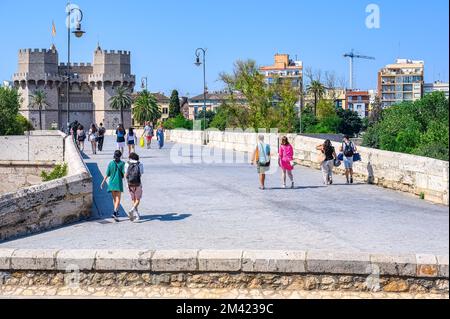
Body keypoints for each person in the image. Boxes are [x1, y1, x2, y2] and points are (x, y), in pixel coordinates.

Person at [101, 150, 126, 222]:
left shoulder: (111, 163)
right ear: (120, 156)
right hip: (118, 183)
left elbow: (107, 174)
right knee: (118, 198)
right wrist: (127, 182)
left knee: (114, 199)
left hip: (111, 183)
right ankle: (115, 212)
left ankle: (116, 211)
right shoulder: (122, 164)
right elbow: (124, 174)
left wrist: (103, 182)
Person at [125, 152, 144, 222]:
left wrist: (126, 184)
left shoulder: (127, 164)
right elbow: (141, 173)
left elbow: (125, 174)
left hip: (130, 184)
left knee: (133, 199)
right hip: (138, 184)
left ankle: (137, 215)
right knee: (138, 199)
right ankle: (132, 210)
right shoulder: (140, 164)